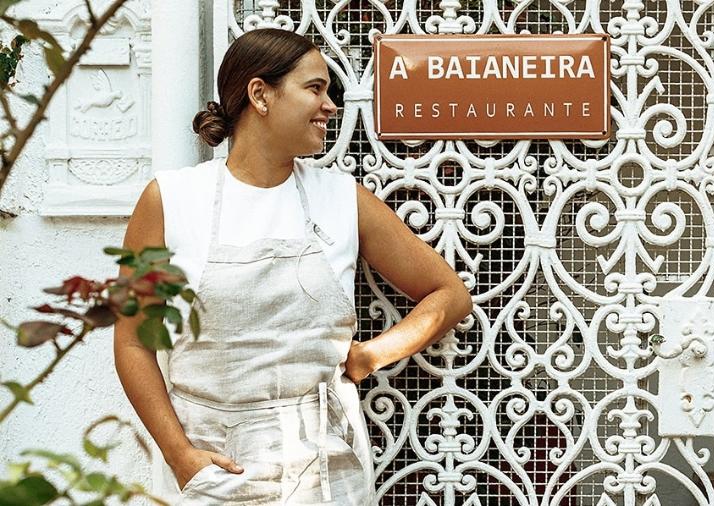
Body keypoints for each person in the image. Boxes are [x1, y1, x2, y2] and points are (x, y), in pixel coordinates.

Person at [113, 28, 472, 505]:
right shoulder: (171, 199)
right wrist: (180, 455)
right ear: (260, 94)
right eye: (315, 88)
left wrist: (373, 354)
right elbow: (132, 340)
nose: (331, 106)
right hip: (213, 467)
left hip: (327, 469)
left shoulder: (342, 199)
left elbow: (448, 294)